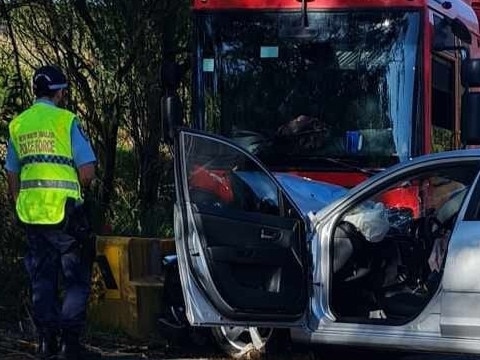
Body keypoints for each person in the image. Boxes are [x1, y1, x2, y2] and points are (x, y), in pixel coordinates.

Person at [5, 65, 97, 360]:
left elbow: (12, 172)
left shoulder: (18, 124)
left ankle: (46, 344)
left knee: (42, 279)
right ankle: (70, 345)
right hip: (66, 215)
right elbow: (87, 173)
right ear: (59, 92)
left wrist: (19, 202)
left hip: (32, 215)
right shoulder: (65, 121)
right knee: (76, 279)